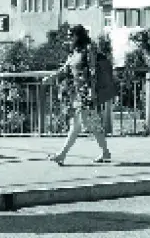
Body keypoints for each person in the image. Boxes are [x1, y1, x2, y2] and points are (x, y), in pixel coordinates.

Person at [42, 24, 111, 166]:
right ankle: (105, 152)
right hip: (77, 92)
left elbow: (93, 71)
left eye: (71, 35)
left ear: (78, 36)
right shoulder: (74, 52)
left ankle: (62, 154)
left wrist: (92, 91)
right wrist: (51, 77)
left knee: (82, 123)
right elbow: (65, 69)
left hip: (87, 91)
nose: (69, 38)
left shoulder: (88, 49)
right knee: (85, 123)